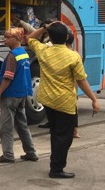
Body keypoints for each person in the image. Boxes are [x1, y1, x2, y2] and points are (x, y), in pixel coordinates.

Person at [27, 22, 100, 179]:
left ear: (50, 37)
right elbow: (81, 81)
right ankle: (56, 169)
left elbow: (30, 39)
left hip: (47, 100)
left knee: (55, 133)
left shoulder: (44, 50)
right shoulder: (73, 57)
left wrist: (44, 28)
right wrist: (94, 99)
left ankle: (55, 163)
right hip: (64, 103)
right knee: (64, 137)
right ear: (67, 37)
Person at [0, 29, 38, 163]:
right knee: (22, 124)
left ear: (17, 39)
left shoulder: (12, 56)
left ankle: (8, 155)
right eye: (5, 37)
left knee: (5, 127)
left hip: (10, 95)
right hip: (21, 94)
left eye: (8, 37)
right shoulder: (23, 53)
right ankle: (31, 152)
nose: (5, 40)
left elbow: (8, 77)